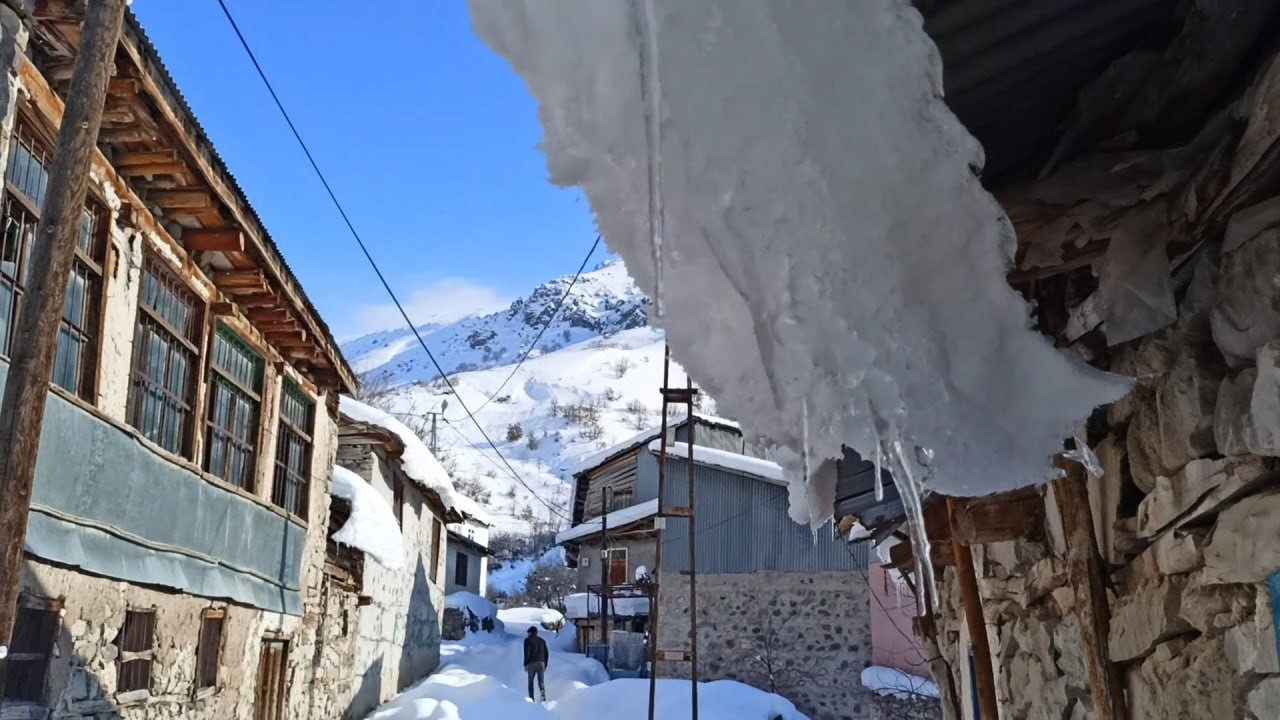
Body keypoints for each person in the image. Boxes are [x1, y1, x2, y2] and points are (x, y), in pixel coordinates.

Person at [523, 626, 549, 701]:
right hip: (541, 663)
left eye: (528, 633)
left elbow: (526, 653)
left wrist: (525, 664)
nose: (527, 634)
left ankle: (531, 698)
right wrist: (545, 664)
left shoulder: (527, 640)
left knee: (530, 681)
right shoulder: (542, 641)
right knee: (541, 680)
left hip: (532, 663)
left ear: (530, 632)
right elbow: (546, 653)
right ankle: (543, 695)